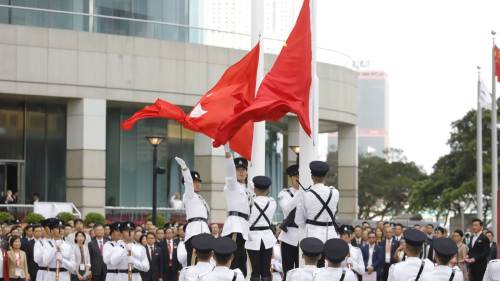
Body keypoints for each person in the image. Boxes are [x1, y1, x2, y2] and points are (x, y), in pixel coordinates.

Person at [220, 145, 253, 276]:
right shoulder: (232, 185)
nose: (241, 172)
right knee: (233, 262)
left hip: (245, 228)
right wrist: (228, 153)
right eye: (238, 169)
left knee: (242, 262)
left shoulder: (249, 188)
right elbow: (229, 171)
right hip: (235, 228)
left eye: (243, 169)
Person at [174, 157, 211, 266]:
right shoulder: (189, 195)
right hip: (194, 232)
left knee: (206, 263)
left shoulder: (201, 199)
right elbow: (188, 183)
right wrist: (185, 169)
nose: (198, 184)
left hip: (204, 231)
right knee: (194, 263)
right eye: (195, 182)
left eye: (199, 182)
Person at [296, 161, 340, 246]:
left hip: (312, 236)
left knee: (313, 259)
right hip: (330, 235)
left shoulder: (305, 195)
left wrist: (310, 224)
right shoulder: (334, 192)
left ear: (312, 177)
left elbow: (299, 220)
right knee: (329, 259)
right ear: (325, 177)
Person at [246, 176, 276, 281]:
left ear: (254, 188)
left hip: (252, 239)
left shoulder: (249, 202)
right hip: (267, 238)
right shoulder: (272, 202)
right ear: (268, 189)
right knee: (266, 270)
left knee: (255, 271)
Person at [277, 164, 301, 279]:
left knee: (303, 272)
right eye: (296, 176)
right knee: (288, 271)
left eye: (301, 175)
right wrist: (300, 193)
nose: (299, 179)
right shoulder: (284, 193)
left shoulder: (308, 193)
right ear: (291, 178)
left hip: (303, 235)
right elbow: (286, 208)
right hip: (289, 237)